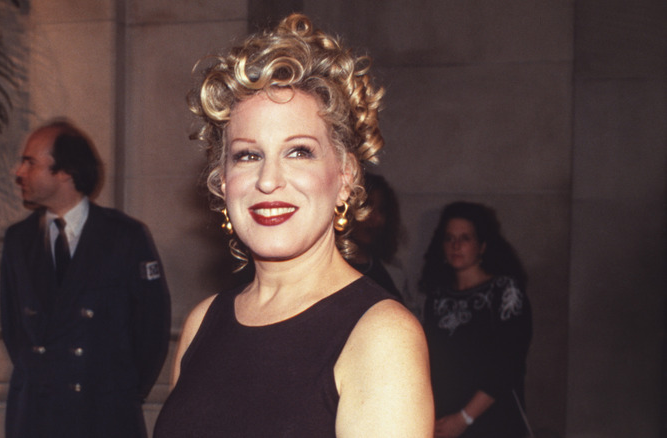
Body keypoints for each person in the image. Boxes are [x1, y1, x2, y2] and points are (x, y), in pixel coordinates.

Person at [154, 13, 433, 437]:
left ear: (345, 178)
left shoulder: (381, 335)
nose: (268, 180)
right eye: (248, 155)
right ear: (223, 181)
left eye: (299, 152)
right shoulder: (202, 322)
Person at [0, 119, 171, 438]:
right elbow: (13, 328)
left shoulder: (124, 237)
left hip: (103, 415)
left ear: (65, 172)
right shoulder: (18, 240)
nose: (18, 172)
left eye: (30, 162)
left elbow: (152, 328)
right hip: (37, 417)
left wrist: (121, 392)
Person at [418, 201, 532, 438]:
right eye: (449, 238)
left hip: (493, 422)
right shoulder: (436, 297)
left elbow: (508, 366)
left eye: (465, 238)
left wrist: (464, 418)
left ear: (482, 246)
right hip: (444, 420)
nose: (456, 245)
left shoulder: (505, 291)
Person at [349, 172, 403, 299]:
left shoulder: (394, 271)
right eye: (367, 208)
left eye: (381, 210)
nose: (377, 219)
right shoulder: (326, 271)